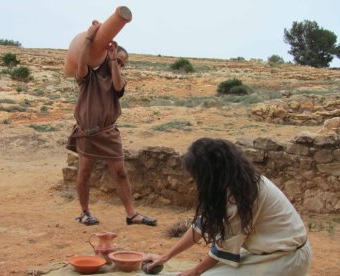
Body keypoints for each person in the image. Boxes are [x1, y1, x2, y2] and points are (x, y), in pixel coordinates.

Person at [146, 138, 311, 275]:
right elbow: (201, 225)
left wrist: (195, 271)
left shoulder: (241, 194)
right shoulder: (233, 183)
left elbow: (225, 248)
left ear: (209, 173)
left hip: (287, 258)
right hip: (267, 252)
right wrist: (165, 257)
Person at [66, 20, 157, 227]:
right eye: (119, 60)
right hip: (87, 133)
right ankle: (85, 212)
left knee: (120, 172)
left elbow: (117, 86)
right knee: (85, 172)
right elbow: (80, 66)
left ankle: (131, 214)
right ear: (106, 54)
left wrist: (115, 62)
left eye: (124, 63)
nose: (121, 65)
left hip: (109, 133)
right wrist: (90, 37)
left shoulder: (119, 79)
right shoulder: (89, 76)